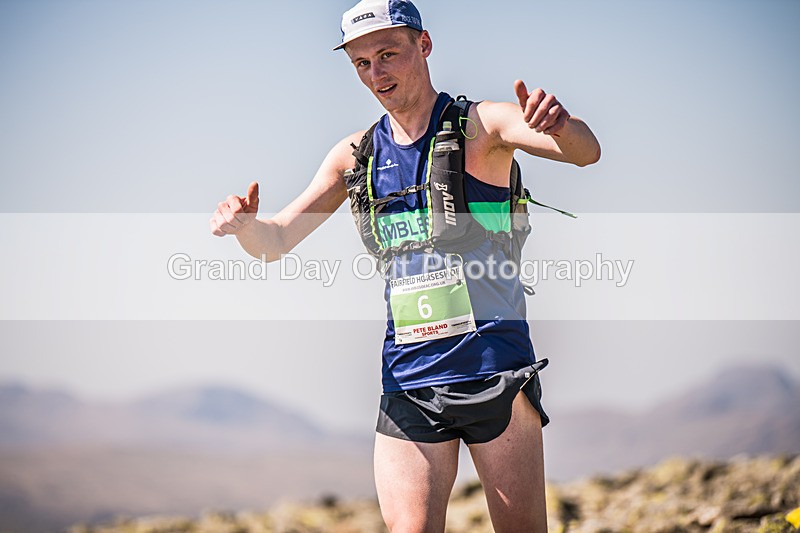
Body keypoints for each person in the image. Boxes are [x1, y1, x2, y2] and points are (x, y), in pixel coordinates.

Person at [210, 1, 600, 531]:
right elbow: (274, 242)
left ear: (424, 44)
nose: (377, 73)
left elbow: (584, 152)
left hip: (494, 371)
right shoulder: (355, 155)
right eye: (362, 63)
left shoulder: (481, 126)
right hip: (408, 378)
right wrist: (244, 226)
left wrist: (558, 125)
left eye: (388, 54)